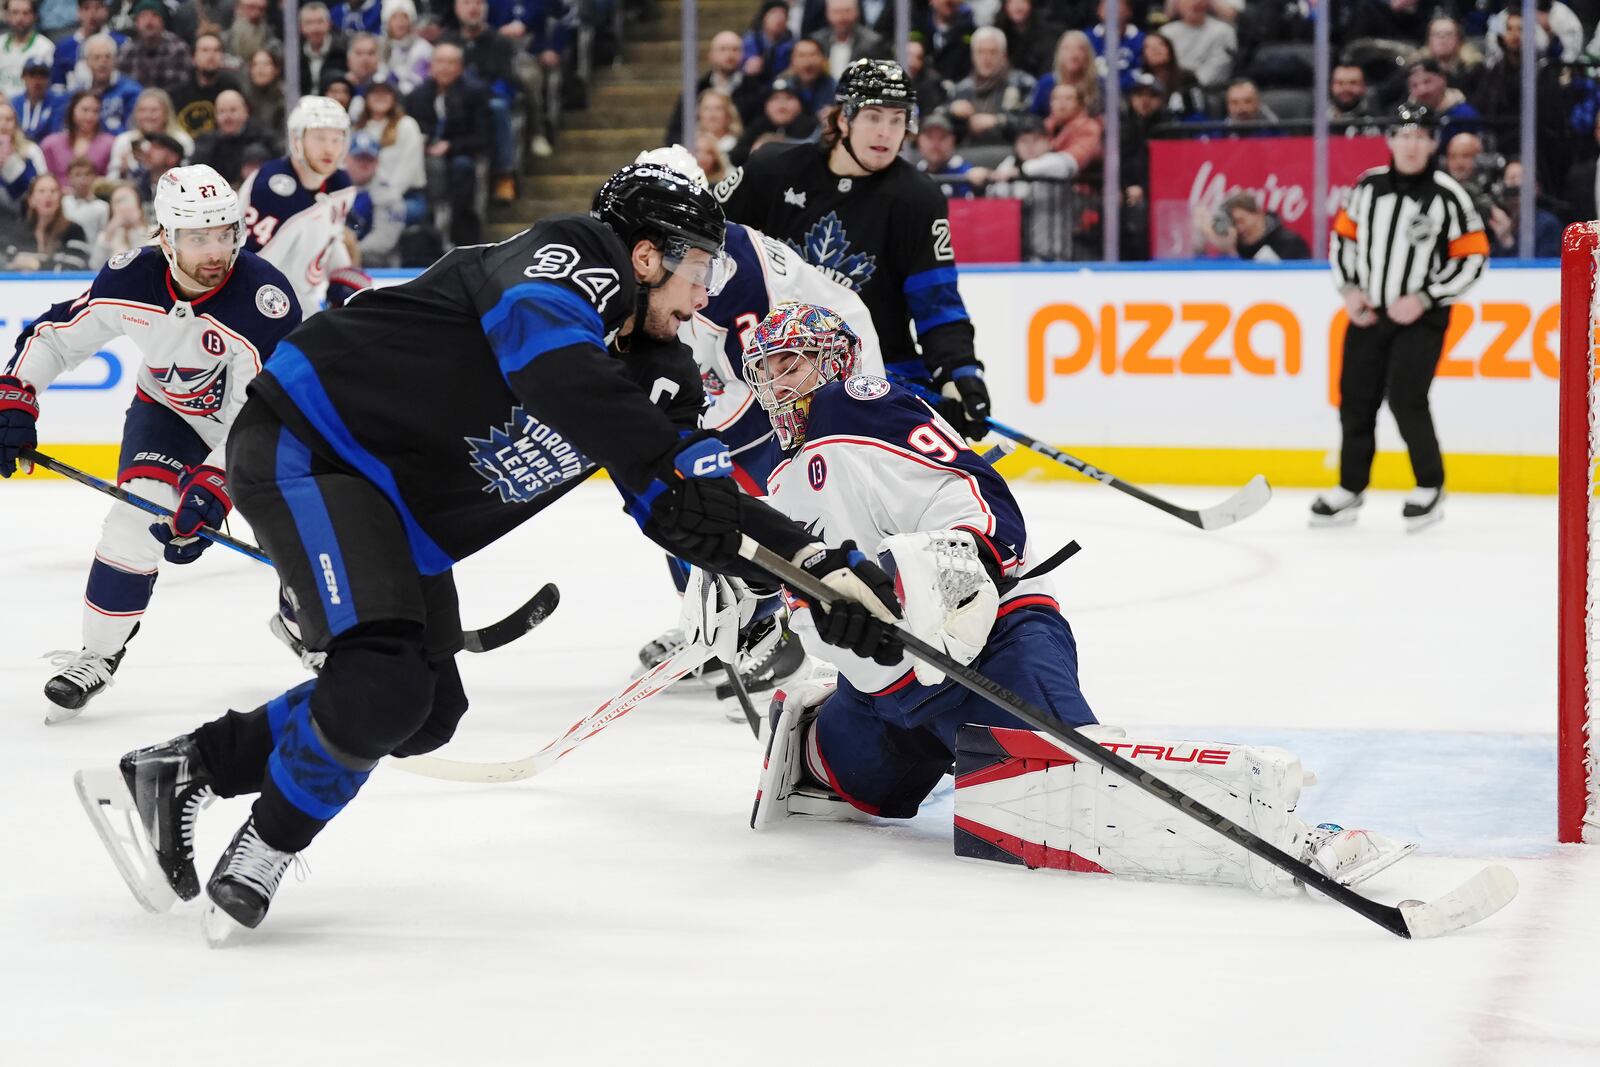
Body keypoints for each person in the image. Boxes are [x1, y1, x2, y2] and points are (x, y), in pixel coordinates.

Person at [62, 163, 903, 941]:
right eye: (698, 268)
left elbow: (692, 509)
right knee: (384, 682)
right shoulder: (569, 256)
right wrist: (668, 467)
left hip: (394, 511)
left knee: (426, 712)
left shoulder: (663, 368)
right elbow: (552, 371)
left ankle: (182, 766)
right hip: (315, 442)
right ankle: (265, 846)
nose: (704, 294)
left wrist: (823, 578)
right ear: (645, 254)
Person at [739, 301, 1415, 900]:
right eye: (765, 368)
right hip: (892, 685)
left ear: (836, 361)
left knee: (1085, 792)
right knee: (854, 782)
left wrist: (962, 563)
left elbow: (979, 497)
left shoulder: (854, 403)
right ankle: (849, 725)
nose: (775, 382)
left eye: (791, 362)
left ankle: (1290, 832)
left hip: (992, 641)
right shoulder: (780, 467)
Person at [0, 164, 300, 719]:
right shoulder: (130, 279)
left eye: (224, 233)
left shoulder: (266, 302)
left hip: (262, 430)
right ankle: (97, 655)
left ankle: (311, 626)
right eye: (196, 237)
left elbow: (261, 414)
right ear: (165, 237)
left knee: (304, 533)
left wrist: (216, 483)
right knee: (133, 522)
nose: (215, 251)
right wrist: (17, 393)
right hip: (167, 414)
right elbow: (58, 337)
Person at [633, 144, 885, 696]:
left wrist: (682, 443)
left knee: (773, 489)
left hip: (827, 358)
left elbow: (763, 391)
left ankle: (785, 624)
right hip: (755, 369)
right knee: (680, 487)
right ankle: (713, 627)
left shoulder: (732, 271)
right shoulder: (665, 257)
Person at [716, 58, 990, 444]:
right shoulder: (771, 170)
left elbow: (937, 304)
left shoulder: (917, 198)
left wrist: (960, 373)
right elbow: (707, 246)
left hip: (875, 371)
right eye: (873, 116)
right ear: (842, 119)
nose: (887, 132)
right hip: (773, 373)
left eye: (898, 119)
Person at [1321, 102, 1488, 531]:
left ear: (1433, 143)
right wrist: (1350, 289)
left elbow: (1473, 257)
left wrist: (1427, 297)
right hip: (1368, 312)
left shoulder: (1449, 195)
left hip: (1421, 318)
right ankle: (1349, 487)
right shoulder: (1367, 186)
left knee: (1406, 399)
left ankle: (1430, 485)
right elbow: (1344, 239)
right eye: (1403, 136)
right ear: (1390, 140)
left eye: (1420, 137)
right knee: (1355, 399)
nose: (1411, 145)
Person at [238, 96, 363, 314]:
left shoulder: (340, 185)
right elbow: (248, 268)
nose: (329, 149)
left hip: (302, 301)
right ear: (297, 140)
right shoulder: (270, 189)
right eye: (319, 138)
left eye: (337, 139)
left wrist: (341, 275)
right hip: (260, 306)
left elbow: (331, 237)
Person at [947, 25, 1034, 149]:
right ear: (973, 56)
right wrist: (951, 110)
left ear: (1004, 56)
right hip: (968, 153)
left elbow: (1034, 123)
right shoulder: (961, 90)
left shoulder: (1023, 84)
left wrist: (999, 121)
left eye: (992, 52)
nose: (986, 58)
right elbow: (940, 122)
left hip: (1010, 151)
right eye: (981, 52)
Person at [1, 170, 88, 268]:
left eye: (53, 191)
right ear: (31, 200)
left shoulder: (74, 231)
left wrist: (37, 265)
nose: (48, 195)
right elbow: (5, 262)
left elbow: (77, 264)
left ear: (60, 198)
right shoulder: (17, 231)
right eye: (42, 191)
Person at [169, 31, 244, 139]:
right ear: (193, 57)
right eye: (205, 50)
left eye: (216, 50)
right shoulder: (177, 92)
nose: (211, 56)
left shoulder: (231, 88)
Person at [106, 88, 192, 182]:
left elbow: (189, 179)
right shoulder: (123, 141)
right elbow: (111, 180)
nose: (148, 116)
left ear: (166, 113)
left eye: (154, 110)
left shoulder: (182, 140)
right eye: (142, 110)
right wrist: (121, 173)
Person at [729, 76, 817, 166]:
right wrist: (755, 151)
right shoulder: (758, 126)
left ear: (800, 105)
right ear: (766, 106)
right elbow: (735, 156)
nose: (781, 104)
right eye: (774, 98)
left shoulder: (812, 128)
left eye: (788, 98)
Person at [192, 89, 274, 186]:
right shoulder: (205, 144)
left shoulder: (265, 139)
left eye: (233, 110)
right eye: (222, 111)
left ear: (246, 111)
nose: (227, 117)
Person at [1210, 190, 1309, 262]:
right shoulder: (1236, 249)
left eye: (1241, 220)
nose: (1239, 228)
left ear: (1258, 213)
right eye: (1234, 224)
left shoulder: (1290, 244)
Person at [117, 0, 190, 96]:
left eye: (154, 15)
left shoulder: (178, 49)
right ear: (137, 22)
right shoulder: (128, 50)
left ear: (163, 21)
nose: (149, 21)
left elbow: (182, 87)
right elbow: (123, 87)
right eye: (143, 16)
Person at [74, 32, 141, 135]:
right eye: (97, 57)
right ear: (87, 62)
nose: (102, 63)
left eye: (108, 57)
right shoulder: (79, 92)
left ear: (115, 60)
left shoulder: (132, 90)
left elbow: (133, 130)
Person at [1159, 0, 1235, 89]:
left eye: (1198, 1)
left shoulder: (1224, 32)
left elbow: (1219, 67)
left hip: (1211, 91)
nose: (1193, 4)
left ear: (1207, 4)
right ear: (1178, 5)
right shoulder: (1166, 33)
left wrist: (1191, 83)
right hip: (1171, 89)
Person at [39, 87, 110, 178]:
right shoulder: (50, 144)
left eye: (96, 111)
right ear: (72, 110)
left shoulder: (109, 144)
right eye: (85, 110)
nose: (90, 116)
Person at [0, 0, 54, 100]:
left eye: (25, 13)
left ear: (34, 16)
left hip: (30, 105)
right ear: (7, 16)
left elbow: (47, 86)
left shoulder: (46, 47)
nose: (20, 18)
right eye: (15, 12)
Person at [89, 178, 144, 266]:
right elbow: (95, 266)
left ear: (138, 204)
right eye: (118, 202)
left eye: (128, 201)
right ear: (111, 207)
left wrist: (138, 227)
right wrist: (109, 234)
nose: (124, 207)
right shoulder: (105, 237)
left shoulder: (154, 232)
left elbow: (150, 261)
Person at [12, 55, 64, 142]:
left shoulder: (58, 103)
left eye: (43, 75)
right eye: (32, 74)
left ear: (49, 79)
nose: (37, 80)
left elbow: (56, 134)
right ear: (23, 77)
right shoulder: (14, 103)